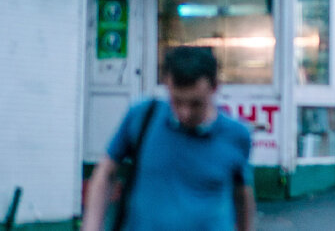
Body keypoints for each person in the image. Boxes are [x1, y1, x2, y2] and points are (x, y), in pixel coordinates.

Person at [82, 46, 256, 231]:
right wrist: (91, 226)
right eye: (177, 101)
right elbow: (106, 172)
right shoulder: (142, 117)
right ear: (167, 84)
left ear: (215, 87)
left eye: (196, 103)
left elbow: (242, 192)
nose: (185, 113)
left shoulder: (237, 135)